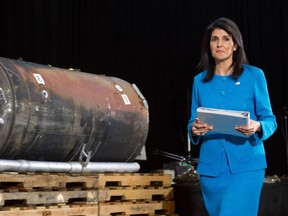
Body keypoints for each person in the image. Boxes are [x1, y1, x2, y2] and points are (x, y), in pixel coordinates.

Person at [187, 17, 277, 216]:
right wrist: (194, 129)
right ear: (208, 45)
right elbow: (193, 121)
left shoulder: (254, 76)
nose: (219, 44)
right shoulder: (199, 81)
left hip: (247, 166)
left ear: (235, 45)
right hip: (211, 170)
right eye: (214, 39)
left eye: (226, 39)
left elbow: (270, 120)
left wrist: (257, 126)